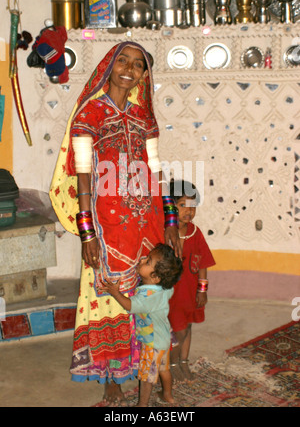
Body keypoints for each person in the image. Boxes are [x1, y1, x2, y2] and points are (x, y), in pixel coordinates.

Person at [49, 42, 181, 405]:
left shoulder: (144, 117)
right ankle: (110, 375)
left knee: (148, 293)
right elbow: (83, 174)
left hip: (148, 220)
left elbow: (156, 169)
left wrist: (170, 218)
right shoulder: (89, 113)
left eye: (138, 65)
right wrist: (87, 231)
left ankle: (148, 366)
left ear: (144, 74)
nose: (129, 68)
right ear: (109, 65)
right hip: (107, 225)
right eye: (123, 60)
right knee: (107, 294)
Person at [102, 243, 183, 407]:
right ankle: (167, 395)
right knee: (163, 369)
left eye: (148, 261)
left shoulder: (148, 298)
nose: (143, 259)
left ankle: (142, 405)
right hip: (163, 340)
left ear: (155, 277)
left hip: (152, 343)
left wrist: (116, 292)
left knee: (147, 376)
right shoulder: (164, 289)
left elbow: (130, 305)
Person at [168, 179, 216, 381]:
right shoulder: (165, 234)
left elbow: (203, 262)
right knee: (177, 329)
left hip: (191, 292)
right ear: (170, 206)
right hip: (173, 294)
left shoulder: (195, 234)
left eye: (192, 206)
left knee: (187, 327)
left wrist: (202, 290)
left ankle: (183, 362)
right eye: (182, 205)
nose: (189, 211)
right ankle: (171, 363)